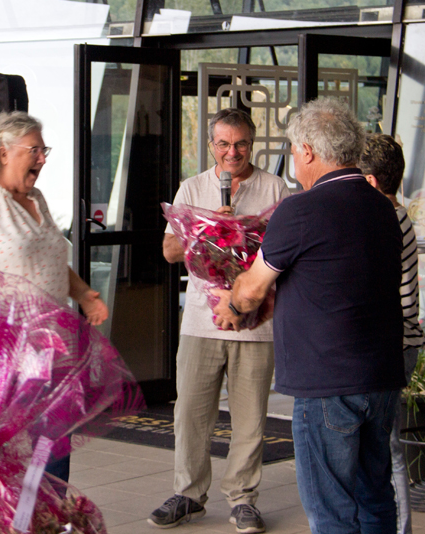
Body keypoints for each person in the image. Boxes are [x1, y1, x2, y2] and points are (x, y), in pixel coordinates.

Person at [212, 97, 406, 534]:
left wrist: (233, 306)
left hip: (328, 382)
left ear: (308, 152)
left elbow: (253, 286)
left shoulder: (300, 209)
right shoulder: (383, 208)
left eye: (294, 150)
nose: (295, 162)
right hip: (381, 375)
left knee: (331, 509)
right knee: (375, 495)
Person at [0, 110, 110, 485]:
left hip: (48, 347)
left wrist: (84, 295)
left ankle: (47, 520)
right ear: (3, 152)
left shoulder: (36, 198)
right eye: (35, 150)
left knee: (53, 441)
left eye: (45, 150)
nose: (43, 159)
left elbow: (48, 258)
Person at [149, 108, 290, 533]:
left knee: (250, 418)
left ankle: (243, 498)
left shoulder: (274, 187)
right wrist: (207, 232)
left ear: (253, 143)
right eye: (224, 144)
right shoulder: (193, 187)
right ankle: (189, 494)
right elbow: (170, 252)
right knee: (190, 411)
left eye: (241, 143)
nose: (233, 152)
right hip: (200, 321)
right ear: (211, 146)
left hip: (256, 320)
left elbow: (285, 252)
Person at [359, 133, 425, 534]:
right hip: (397, 342)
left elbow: (395, 300)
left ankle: (399, 527)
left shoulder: (387, 218)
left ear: (370, 182)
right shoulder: (395, 215)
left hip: (391, 343)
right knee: (385, 445)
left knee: (387, 448)